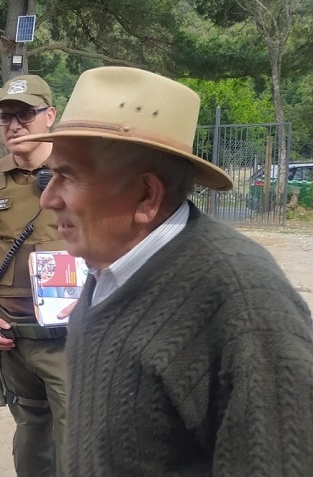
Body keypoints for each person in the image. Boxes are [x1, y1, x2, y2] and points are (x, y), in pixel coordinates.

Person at [21, 66, 313, 475]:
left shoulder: (247, 306)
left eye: (67, 176)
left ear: (146, 196)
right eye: (49, 177)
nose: (48, 198)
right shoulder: (110, 261)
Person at [0, 75, 68, 477]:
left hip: (68, 338)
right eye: (5, 116)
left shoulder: (78, 170)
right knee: (31, 436)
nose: (14, 124)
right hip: (12, 336)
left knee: (76, 438)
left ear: (50, 116)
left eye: (25, 113)